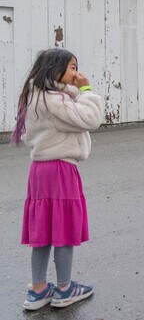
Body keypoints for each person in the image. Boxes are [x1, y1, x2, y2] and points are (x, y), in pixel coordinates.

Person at [11, 48, 103, 310]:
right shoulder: (55, 100)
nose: (76, 73)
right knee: (63, 228)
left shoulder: (34, 97)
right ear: (55, 69)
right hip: (61, 168)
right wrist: (86, 90)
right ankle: (65, 289)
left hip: (39, 169)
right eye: (72, 67)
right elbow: (90, 118)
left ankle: (38, 290)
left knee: (43, 229)